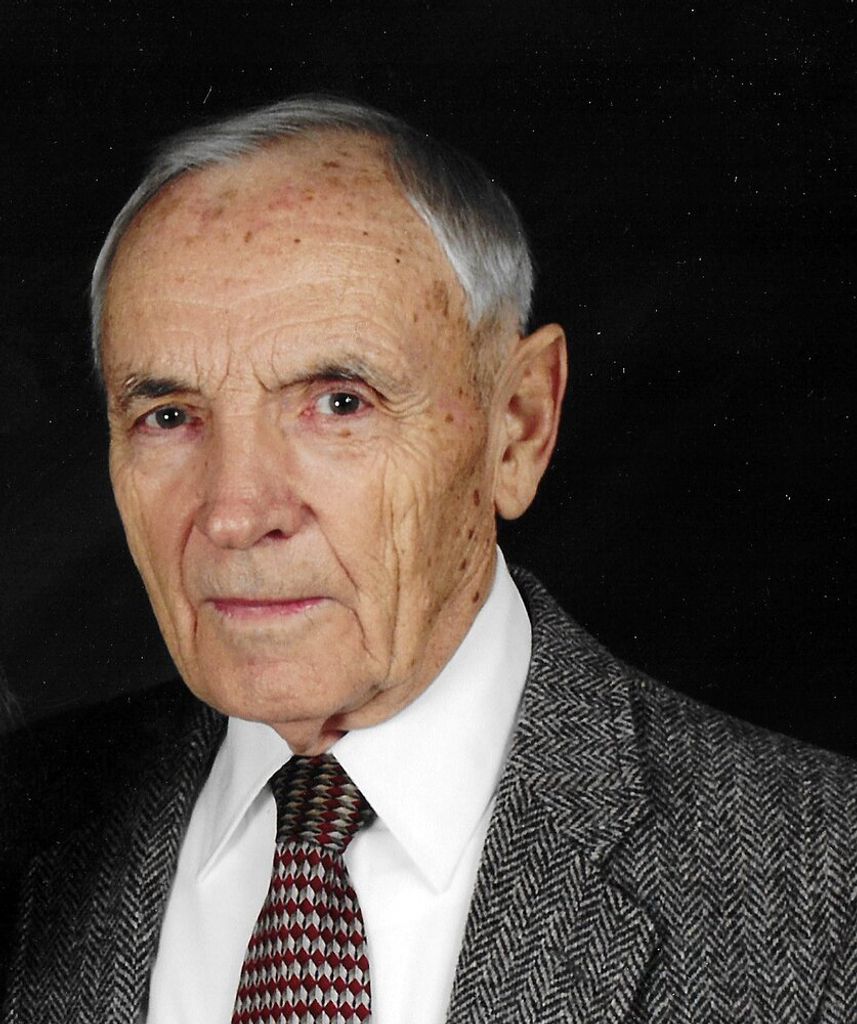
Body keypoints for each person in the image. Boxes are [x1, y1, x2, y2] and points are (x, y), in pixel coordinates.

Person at [2, 95, 856, 1023]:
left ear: (517, 426)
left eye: (340, 403)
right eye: (168, 416)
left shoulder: (820, 879)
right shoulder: (27, 819)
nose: (236, 514)